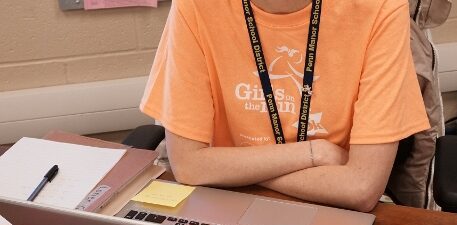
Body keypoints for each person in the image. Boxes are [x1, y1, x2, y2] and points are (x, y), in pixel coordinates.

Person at [140, 0, 430, 212]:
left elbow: (361, 188)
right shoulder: (196, 6)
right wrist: (314, 153)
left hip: (330, 211)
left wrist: (232, 168)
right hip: (221, 204)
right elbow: (189, 167)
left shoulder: (379, 8)